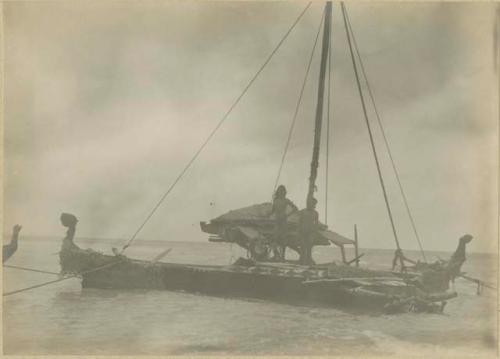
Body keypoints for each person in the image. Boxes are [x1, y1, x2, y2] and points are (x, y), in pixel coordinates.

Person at [268, 185, 298, 261]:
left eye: (283, 191)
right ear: (278, 192)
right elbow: (273, 211)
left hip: (283, 221)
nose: (281, 193)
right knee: (274, 239)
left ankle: (282, 257)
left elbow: (295, 208)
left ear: (284, 192)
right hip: (277, 221)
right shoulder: (276, 200)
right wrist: (267, 215)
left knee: (284, 239)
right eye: (280, 191)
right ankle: (276, 255)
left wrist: (287, 215)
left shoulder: (286, 200)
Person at [298, 197, 319, 265]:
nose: (311, 205)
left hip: (310, 233)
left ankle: (308, 261)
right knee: (303, 247)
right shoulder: (303, 212)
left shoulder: (315, 213)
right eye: (310, 203)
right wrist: (299, 232)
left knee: (309, 248)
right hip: (303, 232)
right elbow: (299, 222)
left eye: (313, 204)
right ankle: (302, 261)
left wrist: (315, 234)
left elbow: (316, 224)